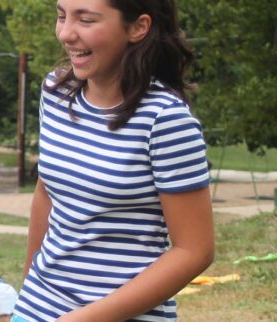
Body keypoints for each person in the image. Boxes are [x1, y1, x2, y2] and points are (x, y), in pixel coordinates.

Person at [12, 1, 213, 321]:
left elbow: (194, 251)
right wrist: (29, 294)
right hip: (39, 307)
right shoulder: (55, 92)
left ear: (137, 27)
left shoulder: (166, 119)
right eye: (61, 16)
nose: (65, 34)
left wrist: (84, 318)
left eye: (86, 20)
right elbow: (46, 194)